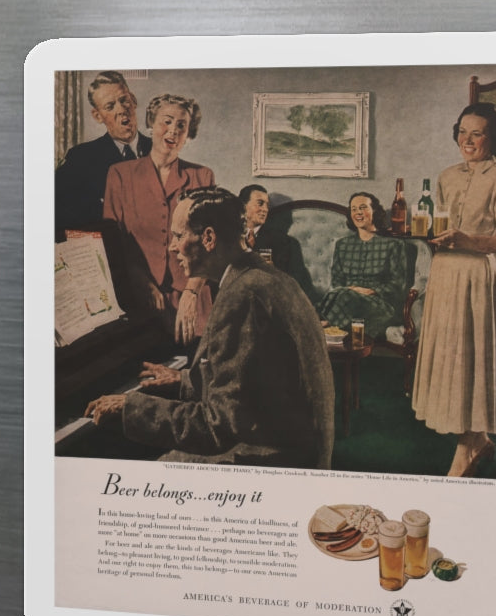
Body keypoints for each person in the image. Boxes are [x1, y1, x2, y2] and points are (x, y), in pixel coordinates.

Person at [85, 187, 335, 468]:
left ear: (208, 238)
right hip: (291, 444)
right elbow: (253, 383)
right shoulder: (260, 275)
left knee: (140, 473)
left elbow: (217, 428)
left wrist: (130, 406)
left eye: (178, 236)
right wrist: (185, 381)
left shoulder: (244, 295)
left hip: (272, 458)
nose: (172, 246)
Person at [411, 102, 496, 478]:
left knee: (474, 357)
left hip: (476, 275)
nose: (467, 140)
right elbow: (440, 225)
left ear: (494, 138)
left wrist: (470, 240)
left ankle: (470, 444)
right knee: (453, 358)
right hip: (445, 274)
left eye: (477, 133)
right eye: (462, 132)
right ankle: (474, 440)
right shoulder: (446, 176)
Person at [103, 94, 214, 345]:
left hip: (192, 299)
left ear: (188, 133)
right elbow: (114, 243)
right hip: (138, 297)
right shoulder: (120, 175)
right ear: (152, 123)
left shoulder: (202, 177)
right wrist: (142, 281)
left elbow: (210, 245)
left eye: (181, 125)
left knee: (192, 374)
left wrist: (192, 291)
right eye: (167, 121)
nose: (173, 130)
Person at [54, 71, 151, 234]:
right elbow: (58, 218)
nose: (121, 110)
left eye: (124, 100)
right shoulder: (80, 159)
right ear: (97, 115)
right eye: (110, 106)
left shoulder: (161, 150)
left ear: (133, 100)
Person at [318, 192, 407, 340]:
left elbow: (398, 286)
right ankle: (327, 326)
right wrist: (350, 290)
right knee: (336, 296)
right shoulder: (342, 245)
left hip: (380, 306)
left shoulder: (393, 245)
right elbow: (336, 281)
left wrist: (369, 291)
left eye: (363, 207)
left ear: (375, 212)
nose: (358, 212)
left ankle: (324, 325)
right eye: (353, 209)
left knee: (343, 296)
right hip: (345, 301)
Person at [239, 184, 318, 303]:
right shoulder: (227, 239)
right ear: (243, 206)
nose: (265, 209)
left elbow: (299, 286)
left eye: (267, 205)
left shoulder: (287, 243)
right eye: (260, 203)